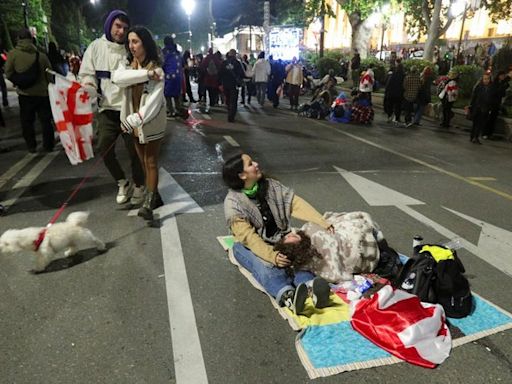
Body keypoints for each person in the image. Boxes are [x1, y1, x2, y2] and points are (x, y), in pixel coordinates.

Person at [223, 152, 334, 314]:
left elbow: (295, 203)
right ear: (242, 175)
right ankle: (288, 296)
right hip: (250, 246)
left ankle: (310, 287)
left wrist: (321, 221)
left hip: (279, 238)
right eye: (250, 164)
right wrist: (272, 256)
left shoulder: (271, 185)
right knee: (266, 267)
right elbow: (250, 238)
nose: (256, 164)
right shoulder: (233, 203)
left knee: (298, 257)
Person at [79, 10, 145, 206]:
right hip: (106, 109)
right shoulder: (95, 47)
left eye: (125, 28)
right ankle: (122, 182)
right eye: (117, 26)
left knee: (135, 151)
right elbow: (87, 73)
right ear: (109, 25)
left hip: (128, 109)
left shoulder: (130, 47)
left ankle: (139, 185)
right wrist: (89, 86)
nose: (121, 31)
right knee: (103, 148)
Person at [112, 26, 166, 220]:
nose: (131, 46)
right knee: (142, 160)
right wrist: (145, 75)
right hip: (133, 121)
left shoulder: (157, 68)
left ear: (145, 43)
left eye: (135, 42)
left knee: (150, 160)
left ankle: (149, 204)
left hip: (151, 122)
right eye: (129, 42)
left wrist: (136, 119)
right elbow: (117, 78)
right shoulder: (128, 64)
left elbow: (154, 102)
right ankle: (155, 195)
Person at [273, 211, 384, 283]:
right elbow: (334, 271)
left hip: (344, 236)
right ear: (296, 249)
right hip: (355, 245)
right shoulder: (314, 250)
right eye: (288, 240)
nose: (289, 235)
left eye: (285, 237)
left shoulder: (303, 234)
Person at [5, 28, 54, 153]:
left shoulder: (13, 54)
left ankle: (31, 145)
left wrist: (19, 81)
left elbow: (8, 72)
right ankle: (48, 145)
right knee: (46, 120)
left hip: (25, 94)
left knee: (27, 121)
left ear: (18, 39)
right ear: (31, 39)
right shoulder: (41, 56)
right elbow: (50, 75)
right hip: (42, 94)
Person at [219, 49, 244, 123]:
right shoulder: (237, 63)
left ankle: (229, 111)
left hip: (226, 84)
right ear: (235, 55)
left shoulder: (224, 63)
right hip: (234, 85)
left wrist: (220, 83)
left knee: (228, 99)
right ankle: (231, 115)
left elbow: (220, 73)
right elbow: (241, 74)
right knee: (234, 101)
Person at [484, 71, 510, 139]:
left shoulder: (502, 84)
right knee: (489, 119)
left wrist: (504, 87)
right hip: (492, 104)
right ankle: (485, 133)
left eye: (504, 76)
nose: (503, 77)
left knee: (493, 119)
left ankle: (490, 133)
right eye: (502, 76)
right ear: (499, 76)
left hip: (497, 104)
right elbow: (494, 93)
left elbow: (503, 94)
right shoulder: (494, 83)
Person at [162, 36, 183, 118]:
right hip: (178, 76)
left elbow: (162, 63)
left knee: (167, 95)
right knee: (177, 94)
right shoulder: (177, 52)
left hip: (169, 77)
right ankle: (178, 109)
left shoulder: (164, 52)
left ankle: (171, 111)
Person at [468, 73, 492, 144]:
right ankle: (474, 137)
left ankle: (475, 137)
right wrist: (471, 106)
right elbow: (474, 98)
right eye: (485, 79)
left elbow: (491, 99)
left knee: (480, 124)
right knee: (476, 124)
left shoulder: (490, 88)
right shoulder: (479, 87)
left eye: (488, 79)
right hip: (477, 108)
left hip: (485, 109)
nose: (486, 80)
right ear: (482, 79)